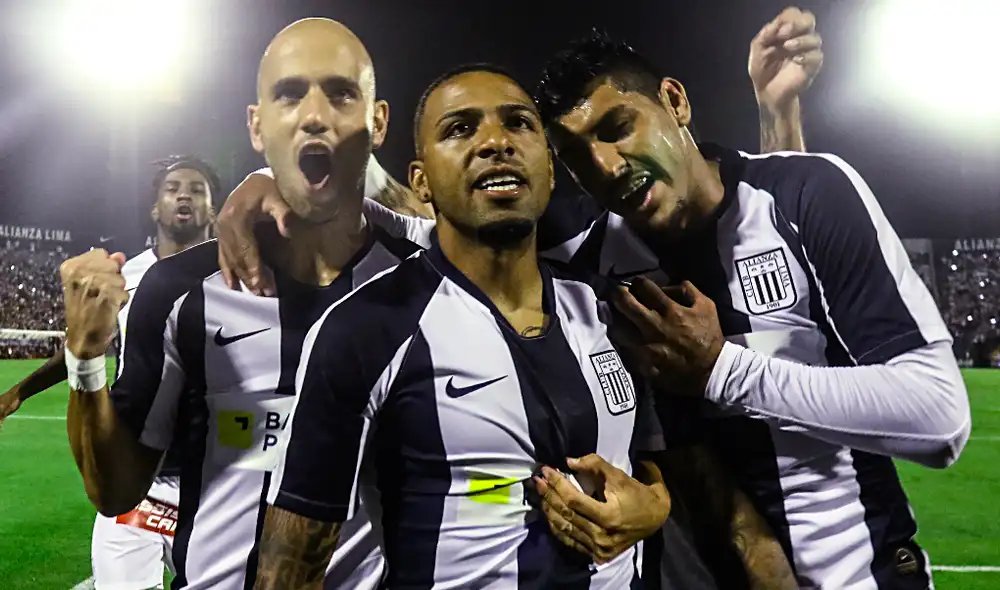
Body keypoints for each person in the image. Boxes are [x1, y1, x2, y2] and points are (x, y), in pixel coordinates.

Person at [532, 29, 969, 589]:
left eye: (618, 128)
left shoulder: (807, 193)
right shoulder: (583, 251)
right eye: (576, 158)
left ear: (675, 101)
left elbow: (939, 419)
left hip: (861, 574)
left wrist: (721, 370)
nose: (604, 166)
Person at [254, 63, 671, 590]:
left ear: (549, 167)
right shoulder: (366, 330)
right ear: (421, 181)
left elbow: (652, 457)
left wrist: (655, 504)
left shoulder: (610, 309)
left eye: (518, 123)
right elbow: (290, 566)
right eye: (460, 128)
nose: (496, 142)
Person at [59, 18, 430, 590]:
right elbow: (114, 492)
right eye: (289, 95)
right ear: (257, 126)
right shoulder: (177, 289)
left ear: (377, 122)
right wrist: (84, 359)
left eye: (341, 94)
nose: (314, 114)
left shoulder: (427, 277)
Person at [4, 155, 216, 590]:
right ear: (155, 208)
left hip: (212, 483)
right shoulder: (124, 276)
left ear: (213, 209)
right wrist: (20, 391)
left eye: (197, 190)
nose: (184, 196)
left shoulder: (243, 277)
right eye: (173, 188)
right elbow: (83, 345)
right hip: (135, 475)